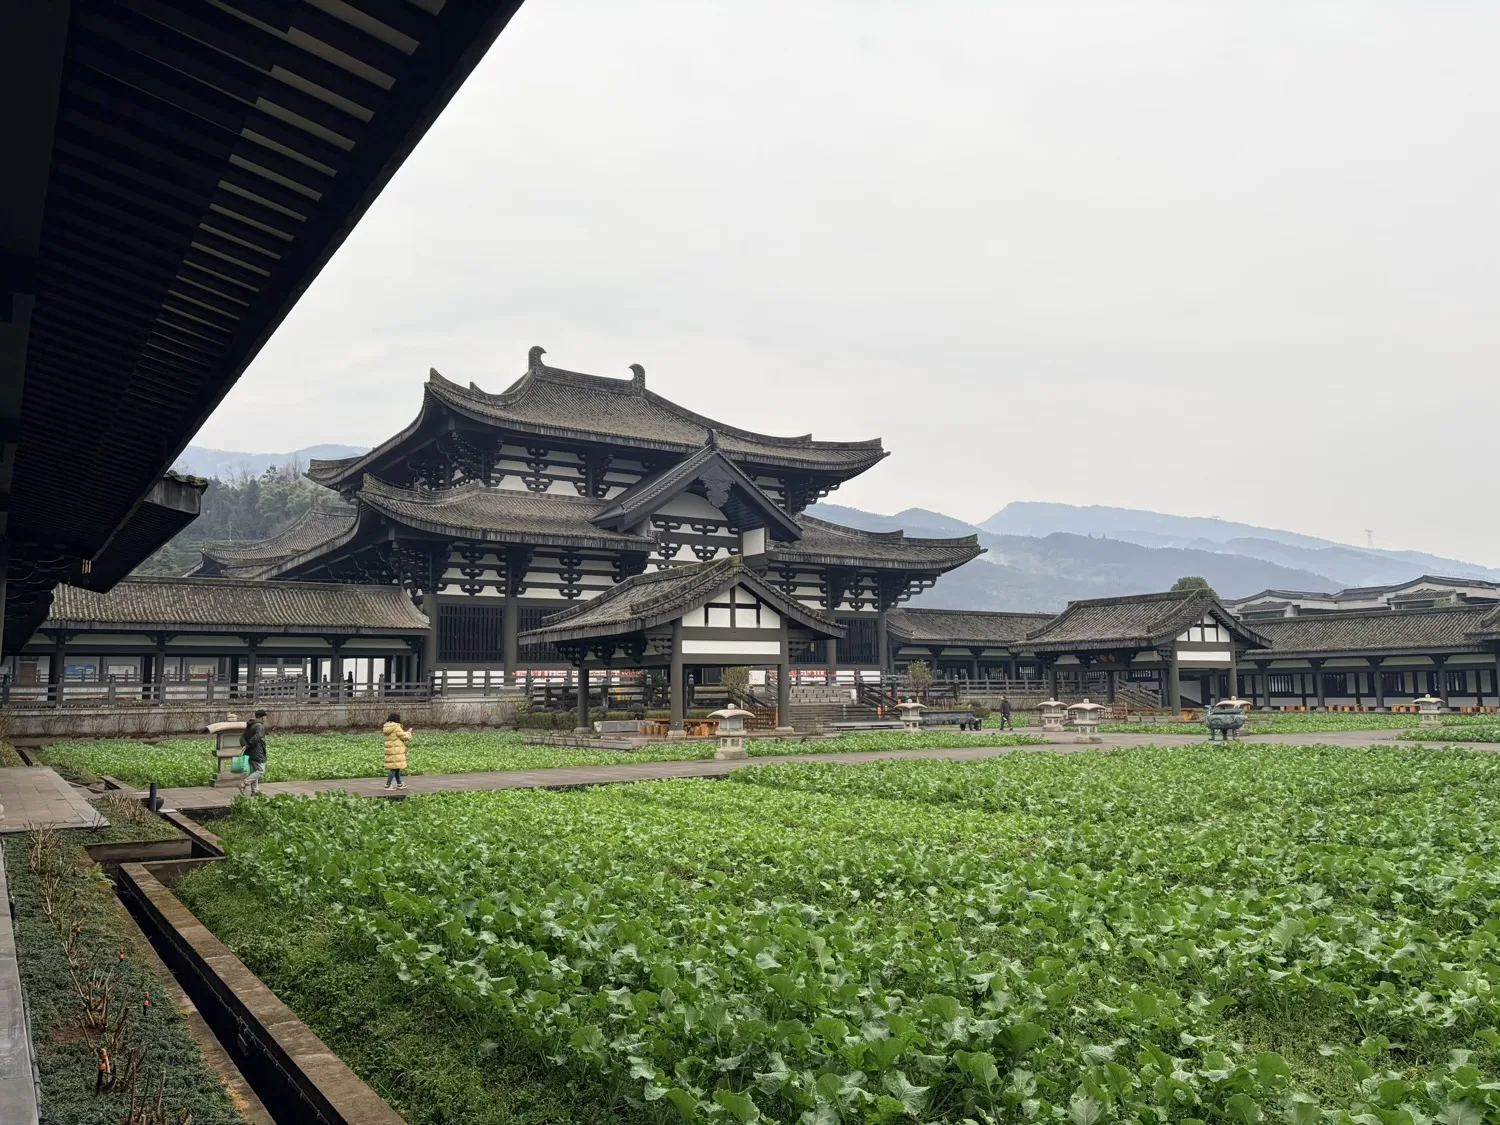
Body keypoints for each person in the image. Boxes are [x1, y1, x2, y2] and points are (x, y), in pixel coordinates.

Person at [239, 710, 268, 797]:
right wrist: (248, 745)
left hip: (249, 752)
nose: (266, 718)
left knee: (254, 771)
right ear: (263, 717)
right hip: (257, 752)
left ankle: (255, 791)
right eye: (265, 717)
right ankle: (245, 782)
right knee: (260, 770)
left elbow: (242, 737)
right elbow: (257, 737)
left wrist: (245, 746)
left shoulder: (250, 725)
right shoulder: (259, 726)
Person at [382, 712, 413, 790]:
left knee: (396, 767)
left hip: (391, 750)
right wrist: (409, 732)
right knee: (394, 768)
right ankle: (388, 785)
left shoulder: (387, 726)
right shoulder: (396, 727)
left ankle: (399, 784)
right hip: (396, 750)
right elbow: (404, 737)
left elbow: (398, 735)